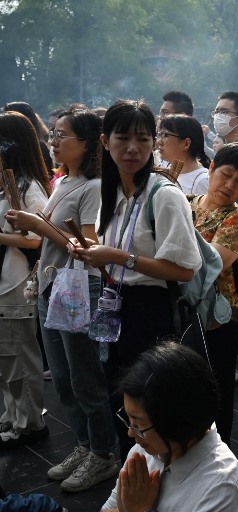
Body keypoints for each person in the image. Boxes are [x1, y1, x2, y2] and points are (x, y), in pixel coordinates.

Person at [73, 99, 202, 462]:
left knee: (152, 405)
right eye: (123, 137)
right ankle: (132, 476)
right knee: (123, 401)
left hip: (152, 313)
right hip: (117, 304)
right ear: (105, 141)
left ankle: (160, 479)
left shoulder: (165, 196)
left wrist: (115, 257)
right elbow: (115, 254)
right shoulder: (113, 192)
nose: (133, 148)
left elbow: (184, 271)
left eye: (143, 139)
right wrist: (93, 252)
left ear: (154, 143)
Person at [6, 107, 121, 491]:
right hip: (51, 286)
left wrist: (38, 225)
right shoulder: (61, 182)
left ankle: (103, 453)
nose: (52, 142)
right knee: (64, 379)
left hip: (78, 288)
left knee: (85, 376)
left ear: (87, 143)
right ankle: (84, 444)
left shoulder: (93, 187)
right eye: (52, 134)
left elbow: (88, 245)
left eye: (62, 136)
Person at [101, 342, 238, 512]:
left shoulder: (220, 488)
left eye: (139, 425)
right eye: (129, 420)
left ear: (175, 423)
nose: (130, 432)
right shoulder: (144, 453)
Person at [189, 142, 238, 445]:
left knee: (215, 392)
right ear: (212, 168)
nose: (230, 186)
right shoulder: (185, 203)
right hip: (182, 314)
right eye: (226, 174)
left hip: (217, 319)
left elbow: (210, 263)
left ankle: (218, 460)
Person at [0, 112, 50, 448]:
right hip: (4, 283)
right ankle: (11, 417)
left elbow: (39, 238)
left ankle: (29, 423)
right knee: (6, 359)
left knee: (19, 356)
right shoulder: (7, 183)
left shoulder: (27, 186)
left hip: (17, 284)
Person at [157, 114, 211, 194]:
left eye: (165, 135)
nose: (159, 141)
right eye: (159, 135)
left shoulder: (202, 181)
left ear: (186, 144)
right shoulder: (168, 172)